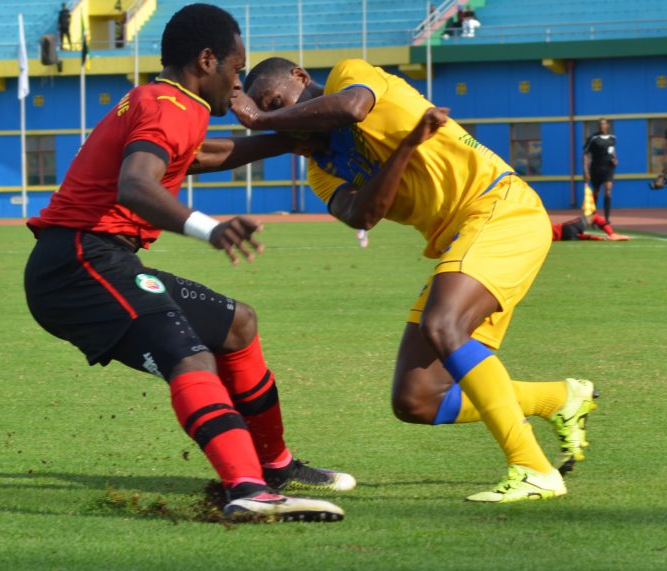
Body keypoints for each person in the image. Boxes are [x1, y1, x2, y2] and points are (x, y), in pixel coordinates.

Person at [23, 4, 353, 522]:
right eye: (236, 69)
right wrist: (210, 227)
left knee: (238, 324)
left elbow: (203, 157)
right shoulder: (168, 107)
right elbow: (135, 186)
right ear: (206, 60)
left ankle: (273, 465)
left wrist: (287, 141)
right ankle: (246, 487)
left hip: (98, 257)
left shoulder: (170, 103)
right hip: (79, 262)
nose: (239, 83)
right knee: (191, 356)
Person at [235, 57, 598, 504]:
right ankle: (557, 398)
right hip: (462, 240)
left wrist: (259, 118)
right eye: (272, 114)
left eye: (279, 104)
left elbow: (350, 108)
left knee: (443, 325)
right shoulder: (322, 170)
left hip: (500, 208)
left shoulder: (351, 75)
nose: (284, 122)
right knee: (418, 399)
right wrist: (406, 147)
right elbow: (363, 214)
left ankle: (532, 467)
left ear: (301, 79)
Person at [583, 119, 617, 221]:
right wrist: (586, 170)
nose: (601, 126)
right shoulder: (593, 138)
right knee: (596, 192)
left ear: (608, 125)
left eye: (603, 124)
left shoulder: (612, 138)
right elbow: (586, 154)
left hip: (608, 168)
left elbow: (612, 151)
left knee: (608, 191)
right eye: (599, 124)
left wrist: (615, 159)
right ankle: (593, 216)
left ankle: (607, 218)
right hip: (596, 168)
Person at [552, 211, 629, 241]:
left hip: (564, 237)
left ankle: (605, 238)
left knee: (582, 237)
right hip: (563, 229)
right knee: (594, 217)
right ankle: (612, 234)